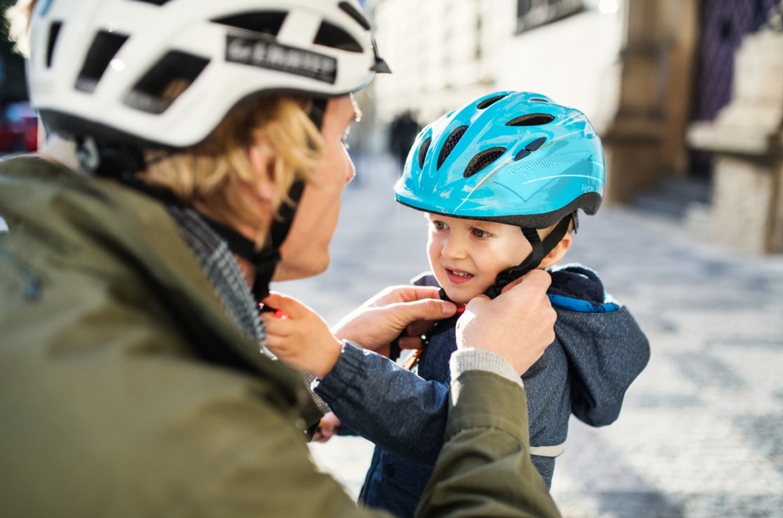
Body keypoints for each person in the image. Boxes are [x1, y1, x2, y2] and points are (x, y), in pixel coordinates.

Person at [0, 2, 563, 517]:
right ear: (266, 164)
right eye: (342, 135)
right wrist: (491, 375)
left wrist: (310, 378)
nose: (348, 170)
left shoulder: (53, 298)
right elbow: (199, 461)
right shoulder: (185, 444)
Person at [268, 92, 650, 518]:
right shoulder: (456, 308)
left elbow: (443, 430)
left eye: (480, 233)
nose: (451, 251)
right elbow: (412, 394)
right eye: (440, 225)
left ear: (555, 245)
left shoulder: (531, 340)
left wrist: (335, 362)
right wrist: (344, 414)